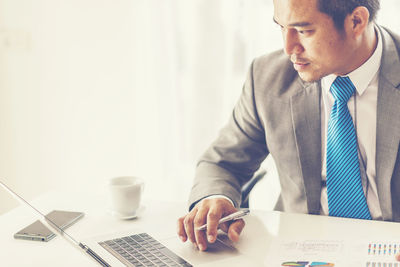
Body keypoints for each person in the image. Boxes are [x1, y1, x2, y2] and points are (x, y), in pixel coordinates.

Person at [177, 0, 400, 255]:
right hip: (301, 251)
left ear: (356, 21)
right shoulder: (267, 78)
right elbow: (222, 163)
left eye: (304, 31)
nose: (288, 48)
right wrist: (215, 198)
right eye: (281, 27)